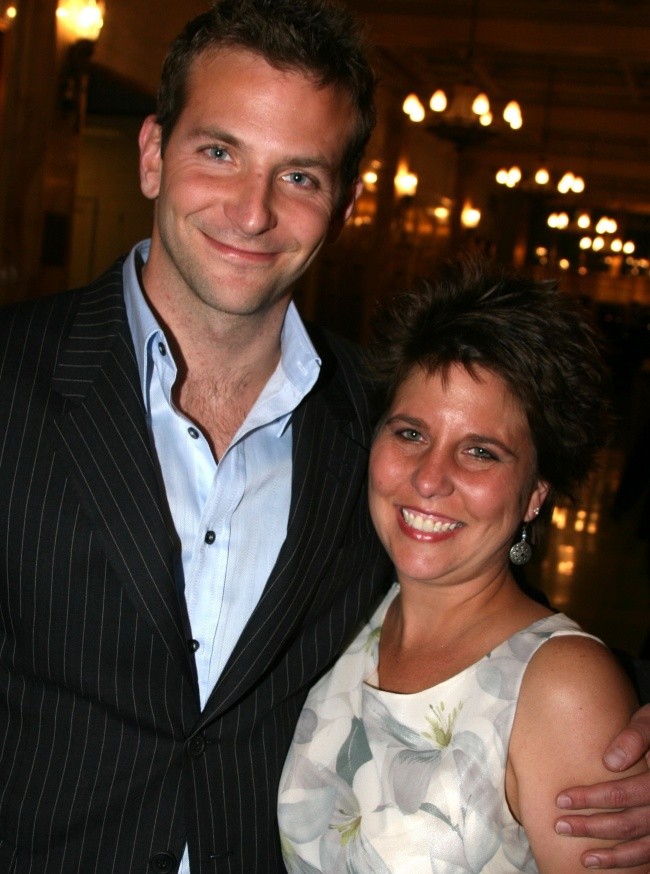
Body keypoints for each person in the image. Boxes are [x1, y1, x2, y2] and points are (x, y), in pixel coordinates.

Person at [0, 1, 649, 871]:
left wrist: (618, 734)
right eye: (219, 152)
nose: (252, 211)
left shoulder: (378, 421)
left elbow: (485, 608)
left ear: (344, 205)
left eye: (300, 176)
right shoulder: (12, 377)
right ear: (153, 155)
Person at [278, 255, 649, 873]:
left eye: (480, 451)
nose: (429, 479)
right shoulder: (349, 614)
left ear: (534, 495)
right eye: (410, 433)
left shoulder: (562, 689)